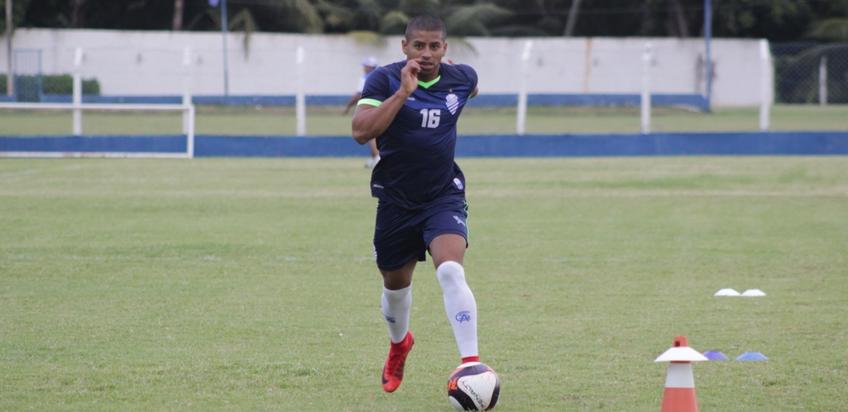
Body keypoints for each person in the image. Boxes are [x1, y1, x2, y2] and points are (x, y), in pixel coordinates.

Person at [351, 15, 481, 393]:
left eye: (434, 46)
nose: (426, 54)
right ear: (404, 47)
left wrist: (458, 77)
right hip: (395, 200)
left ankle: (471, 366)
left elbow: (470, 86)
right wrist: (403, 93)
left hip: (443, 195)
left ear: (445, 49)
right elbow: (361, 132)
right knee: (395, 286)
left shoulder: (462, 77)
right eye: (418, 46)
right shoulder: (384, 80)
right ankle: (399, 344)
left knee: (451, 271)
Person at [344, 56, 381, 168]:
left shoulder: (366, 78)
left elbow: (358, 94)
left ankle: (377, 157)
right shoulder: (381, 76)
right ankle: (374, 157)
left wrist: (347, 107)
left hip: (370, 107)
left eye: (366, 66)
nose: (364, 68)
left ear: (371, 67)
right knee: (376, 133)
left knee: (370, 133)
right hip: (381, 107)